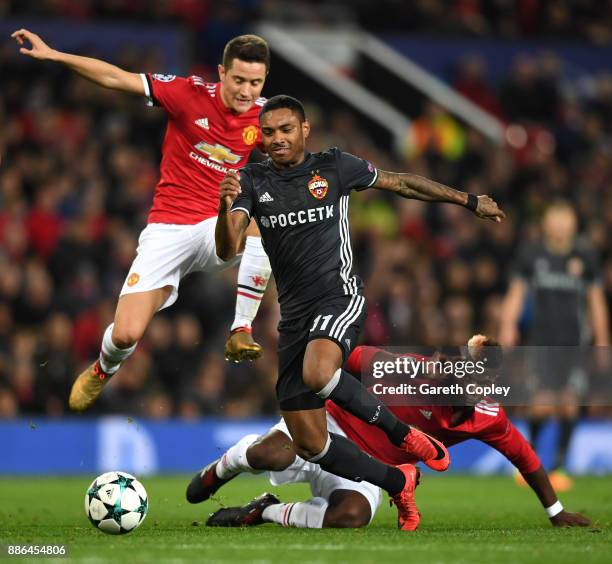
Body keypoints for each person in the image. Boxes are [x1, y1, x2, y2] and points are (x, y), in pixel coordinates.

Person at [215, 94, 505, 530]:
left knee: (318, 373)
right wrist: (224, 207)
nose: (277, 139)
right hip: (294, 318)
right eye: (269, 132)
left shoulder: (333, 166)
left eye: (286, 130)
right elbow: (227, 248)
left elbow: (402, 182)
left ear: (305, 130)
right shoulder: (251, 180)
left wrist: (467, 200)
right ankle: (396, 480)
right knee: (311, 443)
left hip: (339, 297)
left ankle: (403, 435)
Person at [11, 29, 275, 412]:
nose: (246, 91)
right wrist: (55, 55)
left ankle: (242, 328)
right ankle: (103, 369)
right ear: (221, 73)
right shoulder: (187, 94)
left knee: (262, 222)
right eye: (239, 80)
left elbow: (292, 153)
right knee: (126, 334)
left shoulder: (265, 115)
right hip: (167, 230)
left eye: (255, 82)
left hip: (215, 226)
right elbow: (117, 78)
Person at [187, 336, 591, 529]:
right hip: (327, 426)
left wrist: (556, 513)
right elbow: (352, 358)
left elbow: (524, 457)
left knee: (352, 516)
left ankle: (265, 510)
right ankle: (225, 466)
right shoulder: (413, 369)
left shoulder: (486, 416)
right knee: (266, 455)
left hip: (366, 467)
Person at [499, 201, 609, 491]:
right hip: (540, 341)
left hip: (575, 343)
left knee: (570, 401)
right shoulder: (532, 254)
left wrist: (602, 341)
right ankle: (531, 464)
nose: (560, 224)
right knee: (541, 402)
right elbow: (516, 293)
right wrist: (508, 325)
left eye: (565, 218)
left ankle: (559, 467)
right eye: (555, 218)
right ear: (545, 222)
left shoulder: (585, 256)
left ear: (574, 223)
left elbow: (595, 301)